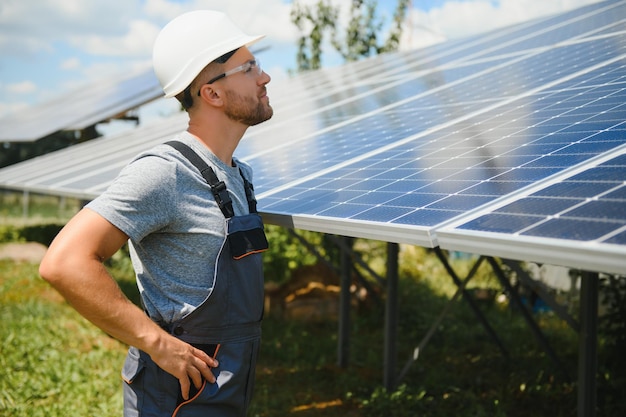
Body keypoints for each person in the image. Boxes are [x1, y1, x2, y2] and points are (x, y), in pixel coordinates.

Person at [39, 10, 273, 417]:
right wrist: (158, 344)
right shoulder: (166, 172)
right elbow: (64, 262)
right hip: (177, 397)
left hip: (229, 387)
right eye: (249, 66)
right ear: (212, 94)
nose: (264, 77)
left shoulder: (240, 175)